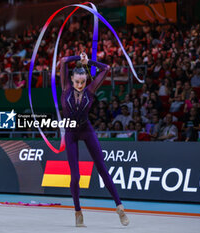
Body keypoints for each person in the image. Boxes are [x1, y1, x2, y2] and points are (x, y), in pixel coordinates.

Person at [60, 52, 129, 227]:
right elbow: (62, 61)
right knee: (75, 177)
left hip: (86, 130)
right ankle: (78, 212)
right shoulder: (66, 87)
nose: (80, 85)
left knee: (102, 169)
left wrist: (88, 61)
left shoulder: (90, 90)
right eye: (77, 82)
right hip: (70, 132)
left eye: (83, 82)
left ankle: (119, 207)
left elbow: (106, 68)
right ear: (72, 79)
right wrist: (77, 58)